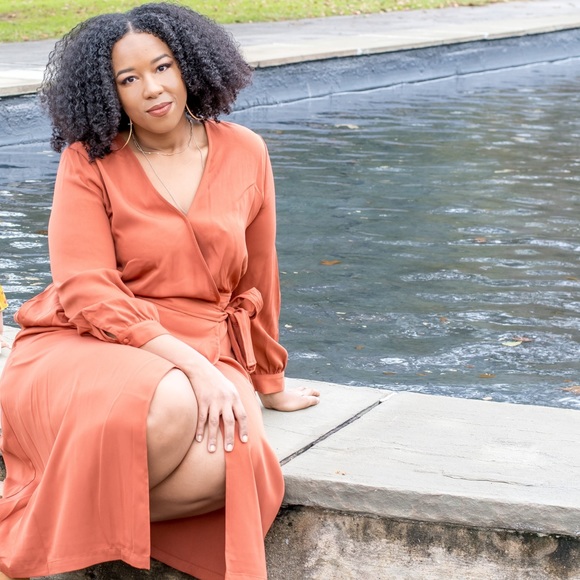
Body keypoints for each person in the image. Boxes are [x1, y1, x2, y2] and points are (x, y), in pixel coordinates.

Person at [0, 3, 320, 579]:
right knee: (173, 400)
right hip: (93, 337)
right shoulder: (89, 160)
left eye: (162, 67)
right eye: (128, 79)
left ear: (189, 66)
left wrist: (269, 380)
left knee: (235, 465)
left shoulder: (246, 150)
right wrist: (193, 369)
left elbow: (259, 277)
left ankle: (39, 523)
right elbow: (87, 289)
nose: (151, 89)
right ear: (108, 93)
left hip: (208, 339)